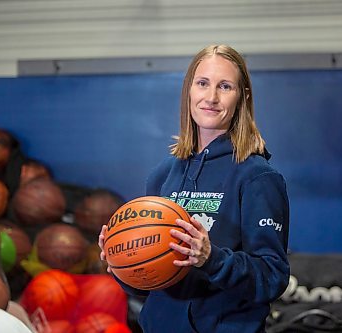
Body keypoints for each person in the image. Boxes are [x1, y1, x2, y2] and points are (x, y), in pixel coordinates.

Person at [99, 44, 290, 333]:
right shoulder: (165, 173)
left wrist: (211, 259)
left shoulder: (257, 177)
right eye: (203, 84)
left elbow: (273, 277)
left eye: (224, 86)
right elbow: (151, 283)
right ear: (189, 90)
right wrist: (122, 262)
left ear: (242, 97)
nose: (211, 97)